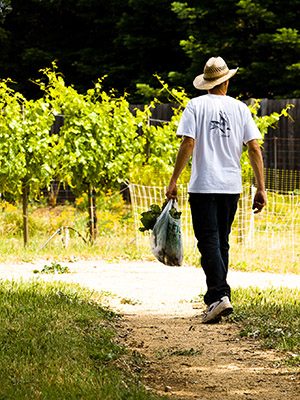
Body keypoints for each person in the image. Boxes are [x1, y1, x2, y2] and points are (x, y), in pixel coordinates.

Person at [166, 56, 267, 324]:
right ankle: (217, 297)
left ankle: (220, 296)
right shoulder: (240, 109)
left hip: (203, 185)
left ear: (207, 82)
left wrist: (174, 180)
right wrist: (261, 187)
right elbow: (254, 147)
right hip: (231, 186)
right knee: (221, 240)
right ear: (228, 80)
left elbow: (188, 143)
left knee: (208, 239)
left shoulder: (195, 106)